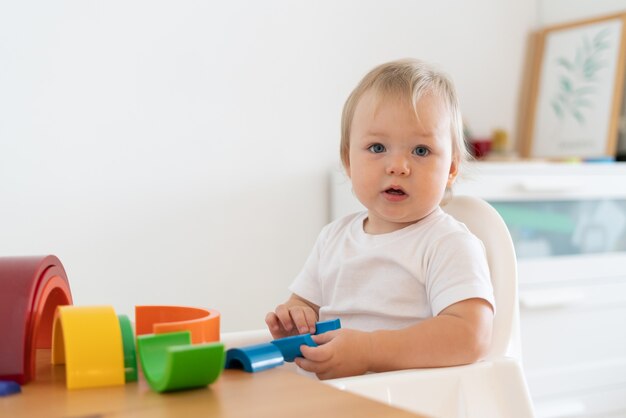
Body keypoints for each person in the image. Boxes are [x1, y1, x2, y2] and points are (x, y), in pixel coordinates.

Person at [265, 58, 495, 380]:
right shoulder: (334, 238)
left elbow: (471, 336)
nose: (397, 166)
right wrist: (296, 316)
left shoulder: (448, 243)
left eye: (420, 151)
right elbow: (304, 302)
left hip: (408, 401)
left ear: (452, 169)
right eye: (377, 147)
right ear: (348, 160)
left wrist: (369, 350)